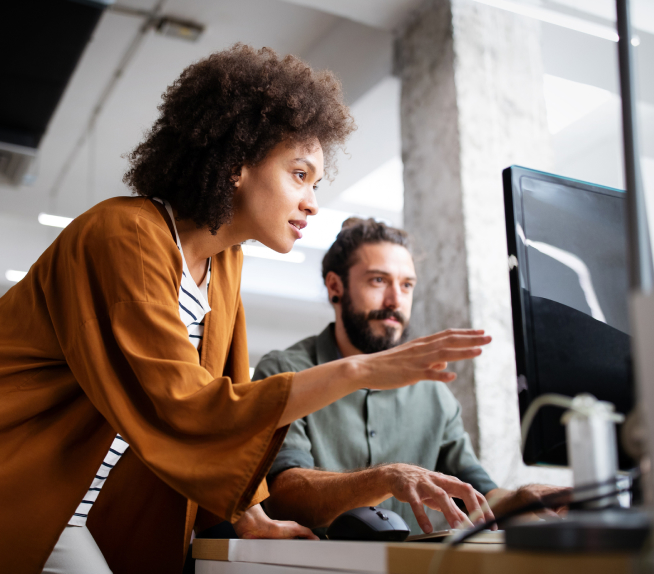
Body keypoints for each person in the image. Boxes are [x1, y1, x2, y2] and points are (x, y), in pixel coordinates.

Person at [0, 45, 492, 574]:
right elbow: (187, 404)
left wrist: (252, 516)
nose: (311, 202)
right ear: (237, 162)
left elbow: (231, 394)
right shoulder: (126, 236)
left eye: (315, 183)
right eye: (299, 174)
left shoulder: (224, 262)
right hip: (20, 479)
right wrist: (360, 370)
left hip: (75, 501)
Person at [255, 217, 564, 536]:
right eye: (378, 281)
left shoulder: (433, 391)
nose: (395, 301)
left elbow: (479, 494)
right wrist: (385, 478)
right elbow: (283, 496)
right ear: (335, 286)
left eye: (406, 285)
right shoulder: (285, 372)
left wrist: (522, 500)